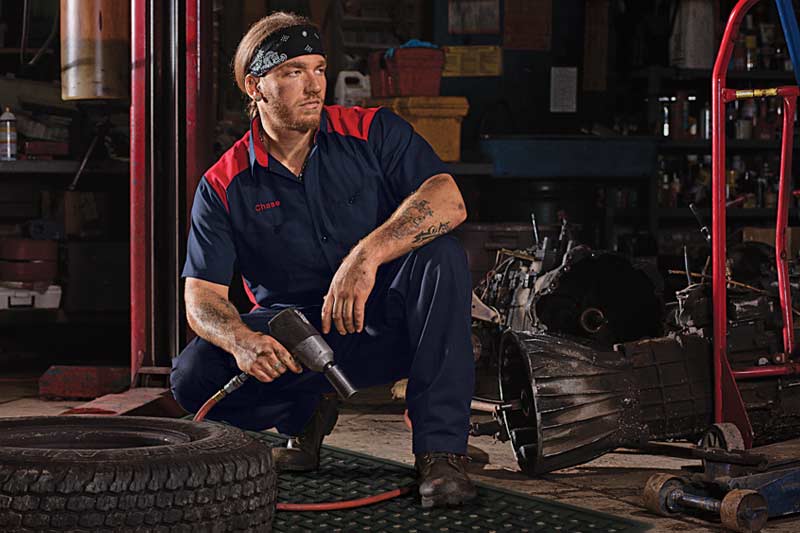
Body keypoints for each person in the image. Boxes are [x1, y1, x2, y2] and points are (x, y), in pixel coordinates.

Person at [170, 11, 476, 508]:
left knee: (440, 255)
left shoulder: (372, 131)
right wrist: (243, 340)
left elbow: (448, 199)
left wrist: (366, 255)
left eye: (318, 68)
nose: (314, 86)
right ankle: (303, 412)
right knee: (192, 374)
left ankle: (441, 453)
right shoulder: (224, 183)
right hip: (298, 342)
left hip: (387, 325)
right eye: (293, 72)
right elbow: (200, 297)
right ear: (256, 86)